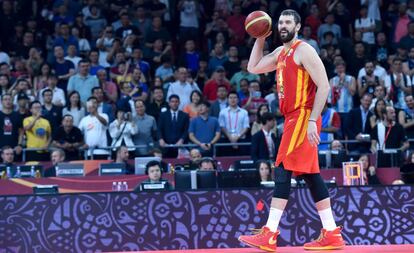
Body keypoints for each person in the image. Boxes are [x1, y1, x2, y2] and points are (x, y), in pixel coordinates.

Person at [238, 10, 345, 251]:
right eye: (280, 22)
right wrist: (260, 36)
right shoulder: (280, 52)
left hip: (303, 116)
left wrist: (312, 120)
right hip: (292, 118)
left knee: (283, 167)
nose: (283, 25)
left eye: (288, 22)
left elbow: (325, 86)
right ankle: (331, 233)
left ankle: (270, 233)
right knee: (309, 174)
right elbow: (253, 67)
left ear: (297, 26)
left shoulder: (303, 49)